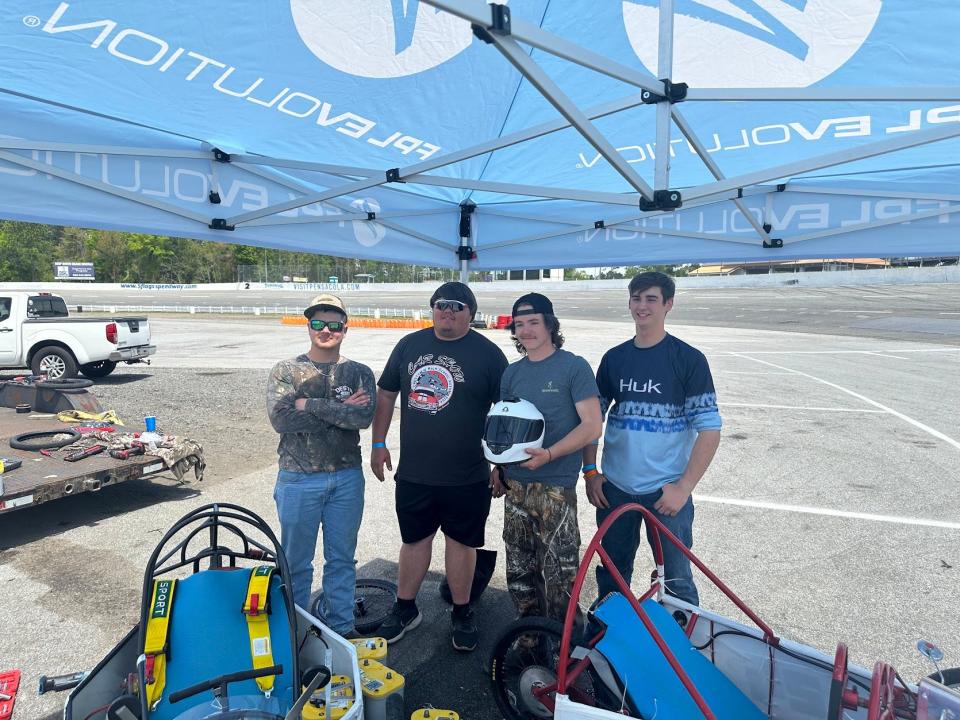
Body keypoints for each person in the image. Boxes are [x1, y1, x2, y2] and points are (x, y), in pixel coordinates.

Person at [371, 281, 508, 652]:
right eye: (441, 304)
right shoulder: (409, 345)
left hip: (468, 473)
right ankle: (405, 608)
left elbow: (505, 413)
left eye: (458, 306)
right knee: (414, 540)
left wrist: (500, 463)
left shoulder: (490, 354)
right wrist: (378, 443)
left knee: (462, 544)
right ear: (432, 309)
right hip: (416, 471)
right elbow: (386, 394)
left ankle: (461, 612)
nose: (448, 310)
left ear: (471, 313)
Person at [584, 272, 722, 607]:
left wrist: (684, 487)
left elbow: (710, 429)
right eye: (636, 298)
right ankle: (609, 643)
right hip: (614, 489)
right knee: (613, 577)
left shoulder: (688, 359)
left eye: (651, 299)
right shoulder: (614, 358)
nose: (642, 306)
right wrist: (590, 472)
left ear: (668, 305)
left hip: (666, 493)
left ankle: (682, 650)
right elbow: (593, 420)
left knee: (676, 582)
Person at [267, 293, 376, 636]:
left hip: (346, 478)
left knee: (342, 561)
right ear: (308, 325)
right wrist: (338, 408)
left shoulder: (359, 372)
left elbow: (363, 417)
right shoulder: (286, 370)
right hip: (298, 479)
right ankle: (295, 634)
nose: (325, 330)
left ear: (345, 328)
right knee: (296, 564)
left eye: (333, 324)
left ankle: (341, 631)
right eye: (318, 323)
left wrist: (307, 404)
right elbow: (281, 420)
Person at [491, 293, 602, 622]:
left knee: (560, 577)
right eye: (519, 324)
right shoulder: (511, 374)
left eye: (533, 323)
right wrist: (499, 466)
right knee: (520, 575)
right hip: (516, 488)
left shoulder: (574, 367)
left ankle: (561, 653)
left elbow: (592, 425)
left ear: (551, 325)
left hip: (555, 488)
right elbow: (506, 427)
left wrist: (551, 454)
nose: (525, 331)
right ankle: (526, 644)